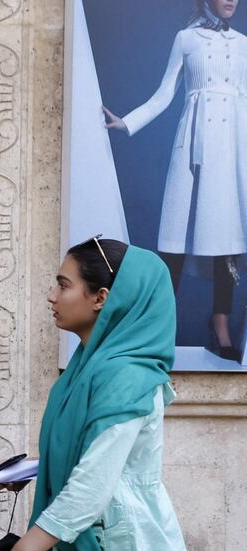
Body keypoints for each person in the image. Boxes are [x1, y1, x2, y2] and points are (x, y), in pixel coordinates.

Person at [0, 237, 193, 551]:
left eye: (63, 285)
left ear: (100, 298)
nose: (51, 296)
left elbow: (96, 482)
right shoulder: (88, 368)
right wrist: (40, 467)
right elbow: (96, 452)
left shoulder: (125, 374)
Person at [102, 0, 245, 360]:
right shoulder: (185, 38)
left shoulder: (244, 44)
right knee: (176, 236)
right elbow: (164, 94)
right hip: (193, 148)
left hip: (233, 147)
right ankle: (157, 324)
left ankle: (221, 321)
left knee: (228, 236)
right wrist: (128, 122)